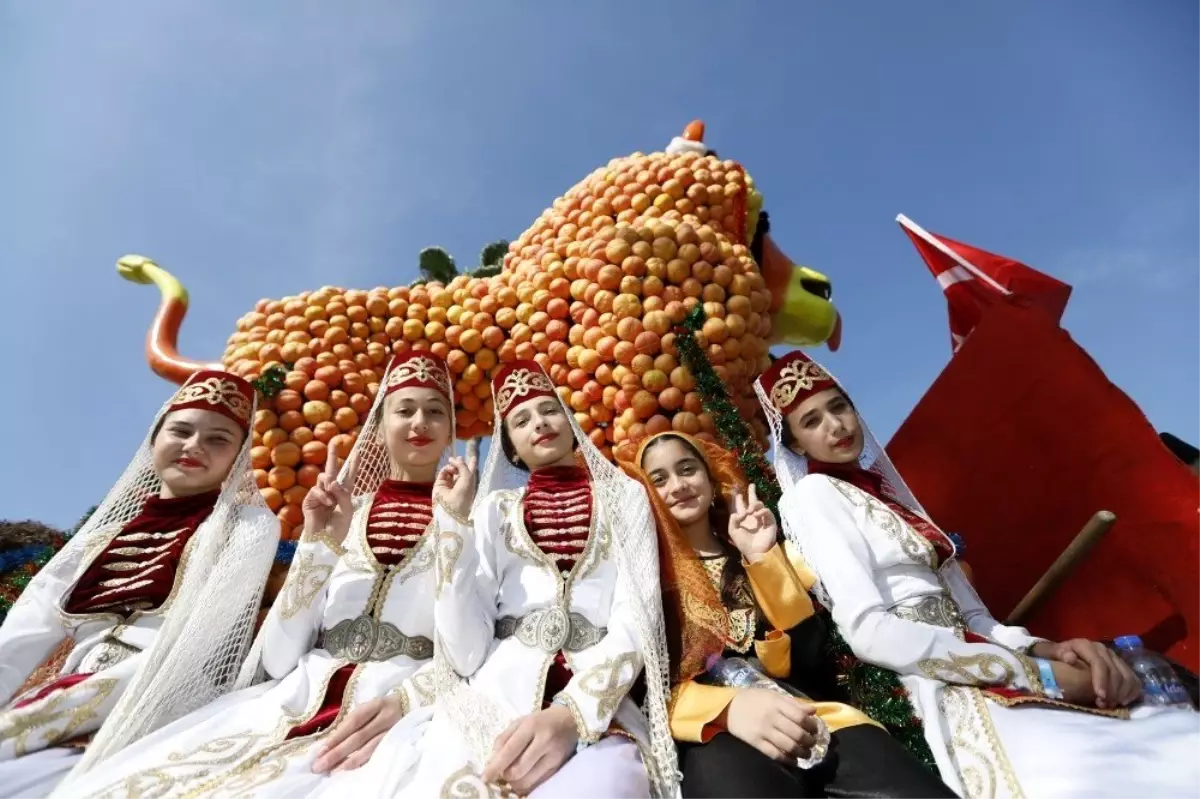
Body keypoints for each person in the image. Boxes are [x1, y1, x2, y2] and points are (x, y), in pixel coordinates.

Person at [756, 350, 1200, 798]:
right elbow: (867, 631)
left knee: (1175, 733)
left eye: (839, 406)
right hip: (931, 686)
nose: (835, 425)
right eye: (811, 421)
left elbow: (979, 622)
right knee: (1099, 769)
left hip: (993, 667)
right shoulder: (812, 496)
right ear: (793, 445)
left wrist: (1051, 651)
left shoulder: (889, 494)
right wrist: (1028, 673)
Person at [58, 351, 471, 798]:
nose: (420, 422)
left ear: (451, 430)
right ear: (379, 425)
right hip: (290, 701)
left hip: (407, 711)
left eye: (435, 411)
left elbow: (471, 652)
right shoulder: (347, 515)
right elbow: (278, 659)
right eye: (404, 409)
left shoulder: (477, 516)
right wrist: (318, 543)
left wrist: (413, 696)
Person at [333, 359, 677, 798]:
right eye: (521, 419)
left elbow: (638, 612)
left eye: (550, 410)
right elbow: (465, 649)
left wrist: (575, 713)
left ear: (571, 422)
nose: (540, 423)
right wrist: (453, 525)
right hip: (493, 693)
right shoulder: (495, 509)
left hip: (597, 698)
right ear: (511, 446)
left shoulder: (624, 496)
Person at [622, 431, 956, 798]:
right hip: (710, 732)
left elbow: (807, 657)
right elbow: (641, 688)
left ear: (710, 477)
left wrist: (761, 558)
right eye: (659, 479)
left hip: (806, 713)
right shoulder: (644, 580)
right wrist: (729, 708)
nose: (678, 485)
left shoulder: (751, 552)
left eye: (687, 469)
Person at [0, 370, 278, 799]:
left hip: (168, 697)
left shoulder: (249, 527)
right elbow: (22, 634)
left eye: (218, 439)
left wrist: (43, 713)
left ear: (239, 457)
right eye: (181, 431)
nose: (194, 446)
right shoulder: (96, 540)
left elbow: (200, 641)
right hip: (61, 695)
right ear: (154, 439)